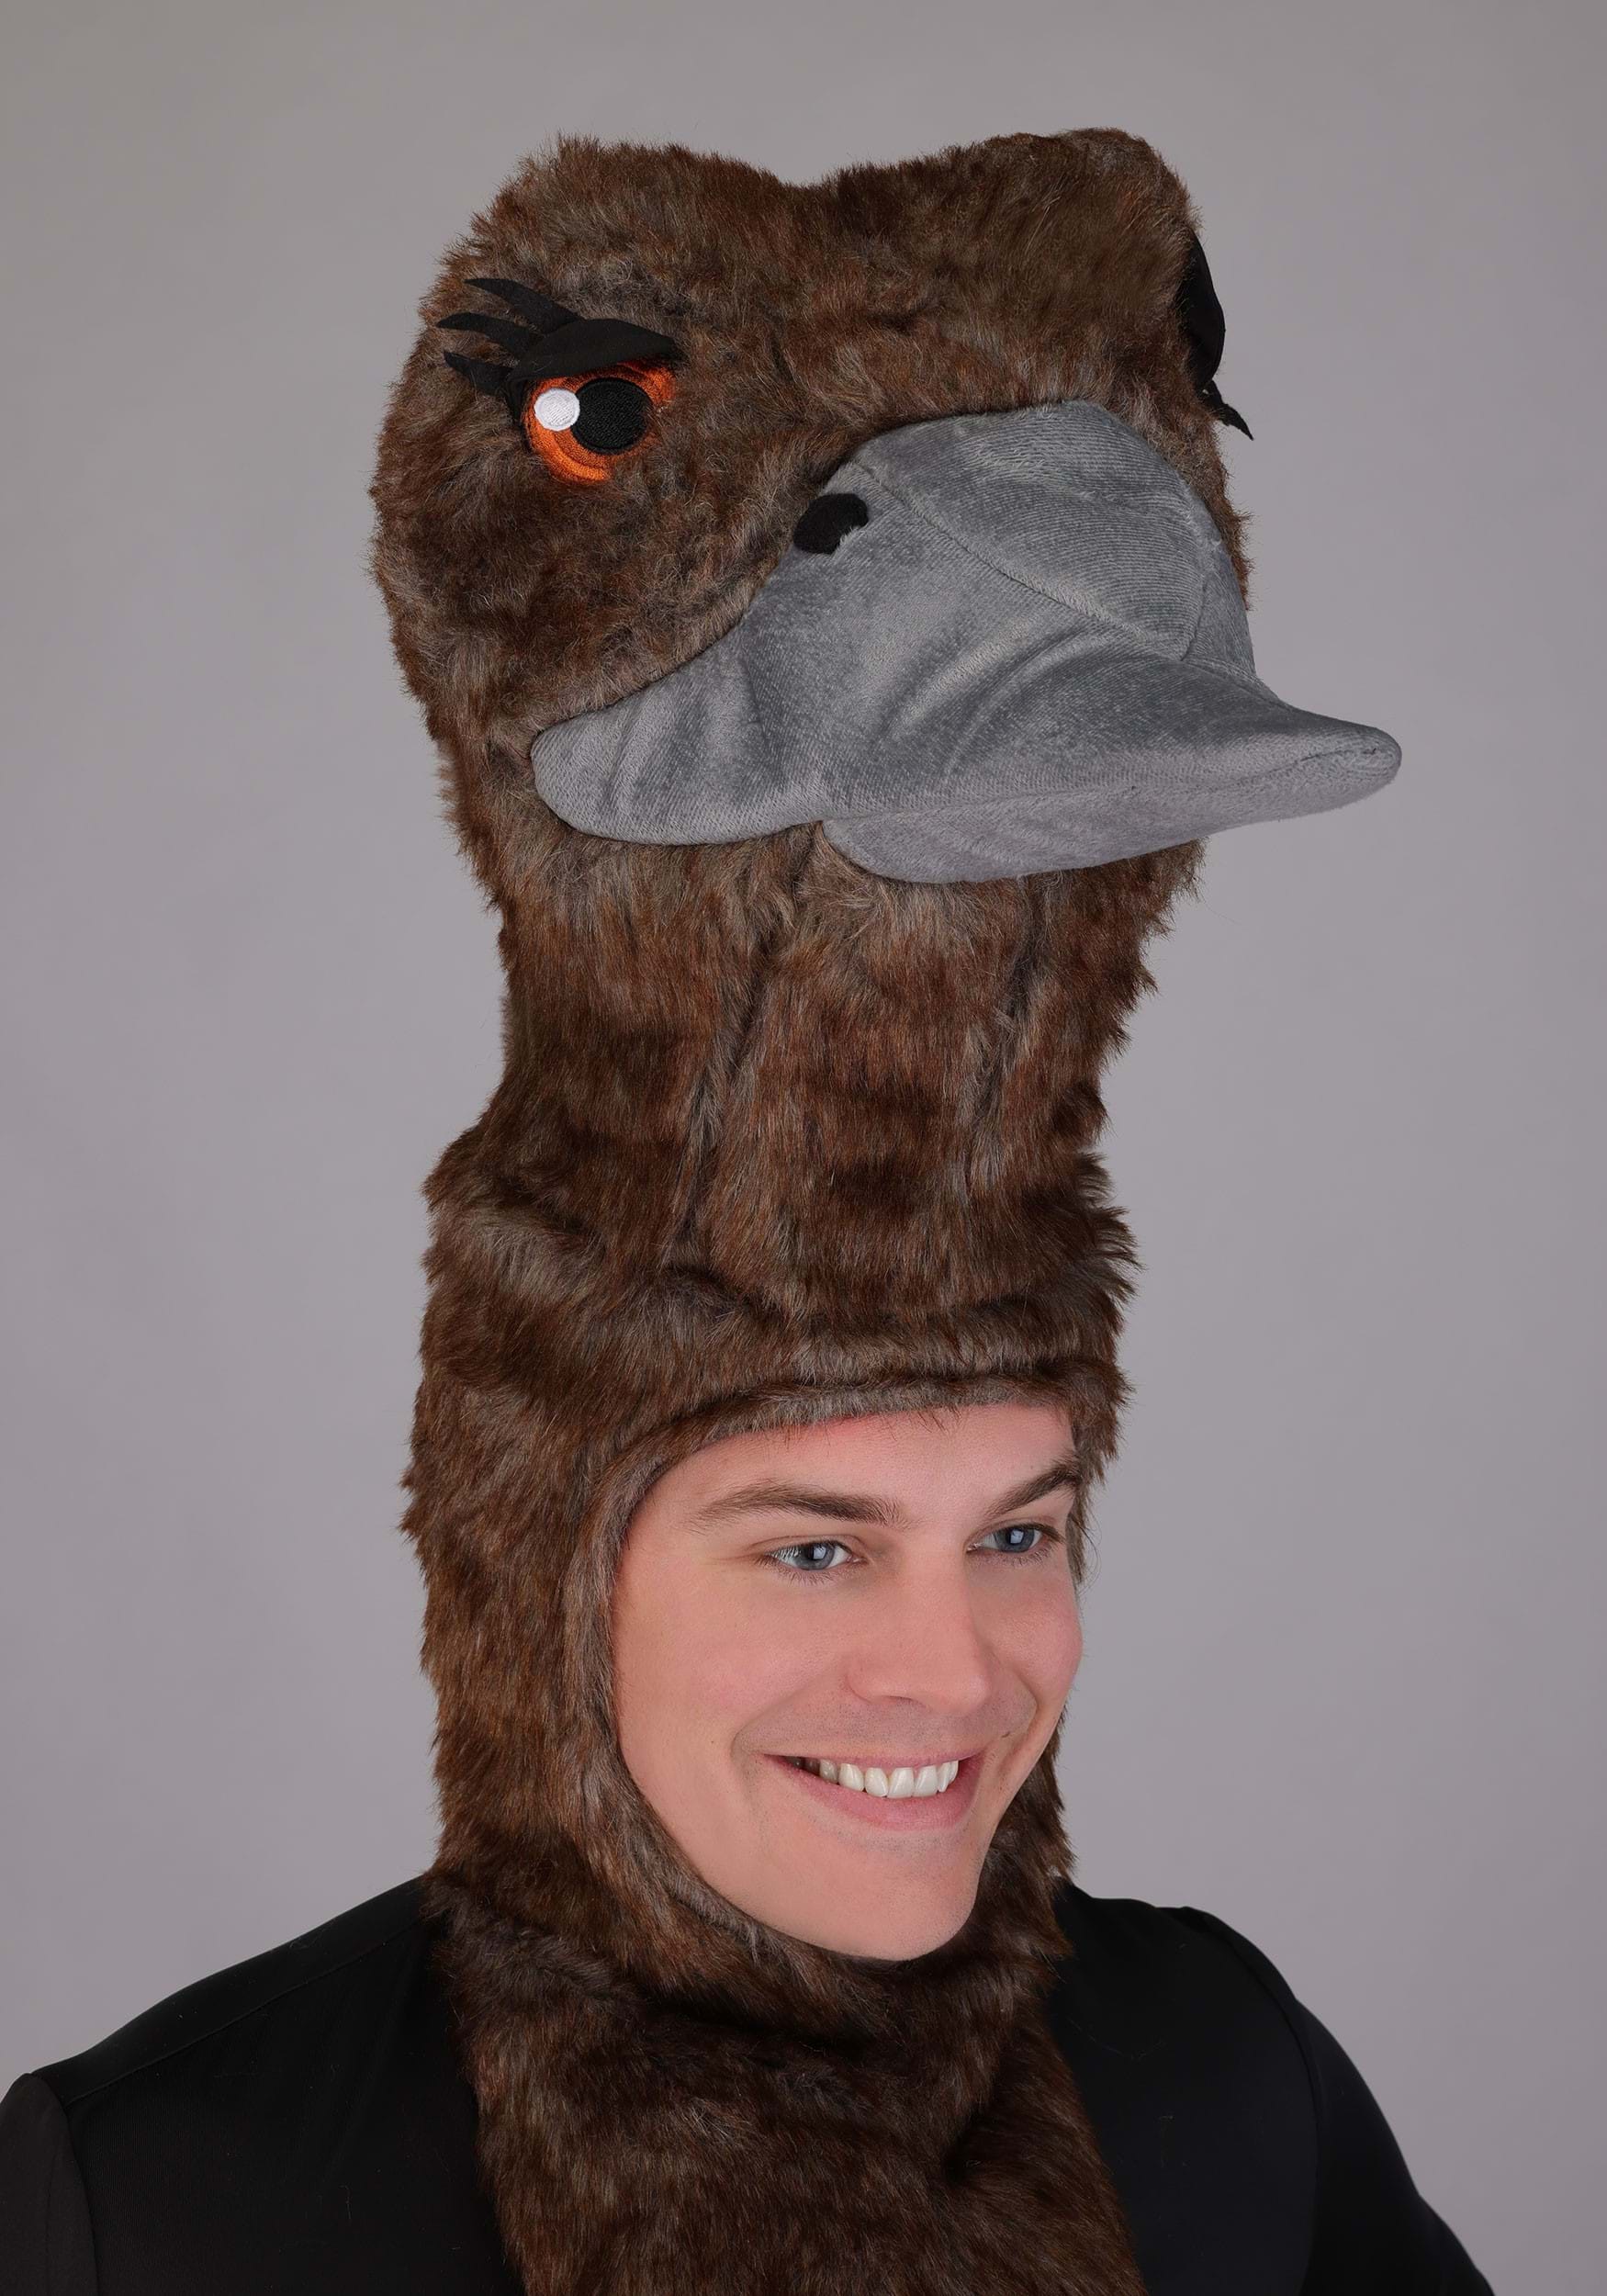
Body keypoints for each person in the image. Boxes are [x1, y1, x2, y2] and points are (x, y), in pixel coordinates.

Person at [0, 125, 1495, 2292]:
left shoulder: (1220, 2082)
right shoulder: (157, 2206)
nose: (949, 1670)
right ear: (540, 1571)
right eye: (810, 1541)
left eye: (1017, 1529)